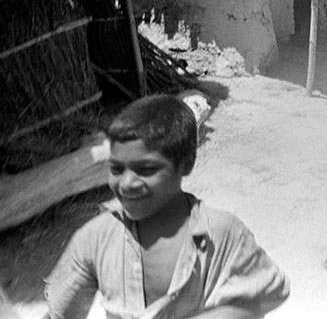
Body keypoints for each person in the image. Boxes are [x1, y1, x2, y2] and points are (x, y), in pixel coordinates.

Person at [45, 95, 290, 319]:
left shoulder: (222, 233)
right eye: (117, 169)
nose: (127, 183)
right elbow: (59, 313)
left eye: (147, 169)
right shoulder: (96, 238)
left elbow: (265, 294)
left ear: (186, 164)